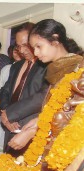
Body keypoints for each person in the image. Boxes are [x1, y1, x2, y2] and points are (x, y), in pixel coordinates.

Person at [11, 19, 83, 152]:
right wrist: (38, 120)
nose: (36, 53)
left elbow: (75, 117)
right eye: (34, 48)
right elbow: (54, 108)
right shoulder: (55, 70)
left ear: (55, 40)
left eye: (39, 47)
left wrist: (33, 132)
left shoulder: (78, 69)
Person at [0, 22, 49, 157]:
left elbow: (42, 96)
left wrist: (10, 114)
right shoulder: (17, 66)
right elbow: (5, 91)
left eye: (25, 45)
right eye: (18, 46)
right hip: (9, 126)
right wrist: (5, 113)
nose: (21, 50)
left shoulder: (47, 66)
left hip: (30, 128)